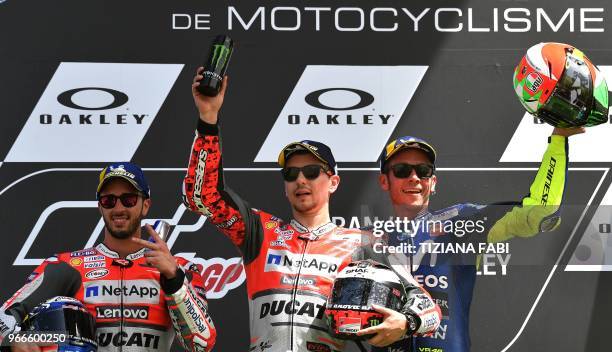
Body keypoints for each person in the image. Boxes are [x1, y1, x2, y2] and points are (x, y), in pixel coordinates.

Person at [181, 68, 441, 352]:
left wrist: (405, 323)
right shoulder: (261, 232)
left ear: (333, 182)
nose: (300, 179)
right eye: (291, 174)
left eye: (312, 171)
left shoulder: (364, 243)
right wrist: (208, 118)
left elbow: (427, 306)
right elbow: (203, 195)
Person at [370, 127, 583, 352]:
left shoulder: (462, 222)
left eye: (423, 171)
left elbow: (539, 212)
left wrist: (559, 139)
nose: (414, 178)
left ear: (433, 183)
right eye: (402, 170)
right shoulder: (367, 239)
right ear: (384, 181)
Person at [0, 162, 216, 352]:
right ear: (100, 206)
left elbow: (202, 343)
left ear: (145, 205)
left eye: (129, 199)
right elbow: (3, 320)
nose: (118, 207)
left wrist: (173, 279)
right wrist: (16, 339)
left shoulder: (179, 268)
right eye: (108, 200)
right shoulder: (66, 266)